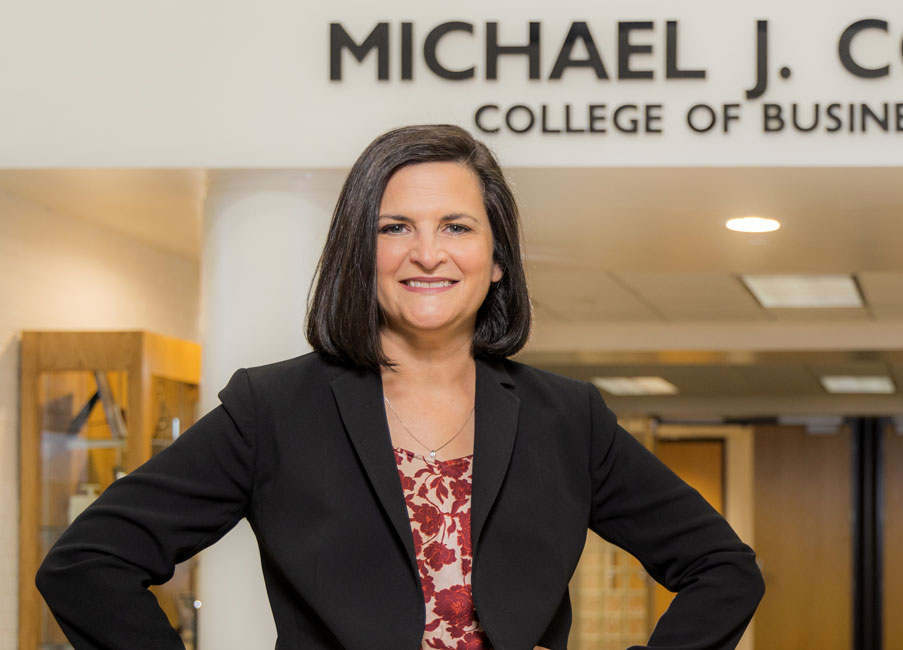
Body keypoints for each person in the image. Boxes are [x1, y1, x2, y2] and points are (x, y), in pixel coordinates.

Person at [35, 124, 765, 650]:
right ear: (361, 252)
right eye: (394, 227)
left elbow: (724, 569)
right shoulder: (275, 410)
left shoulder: (565, 418)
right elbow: (86, 566)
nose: (427, 252)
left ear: (496, 258)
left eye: (456, 225)